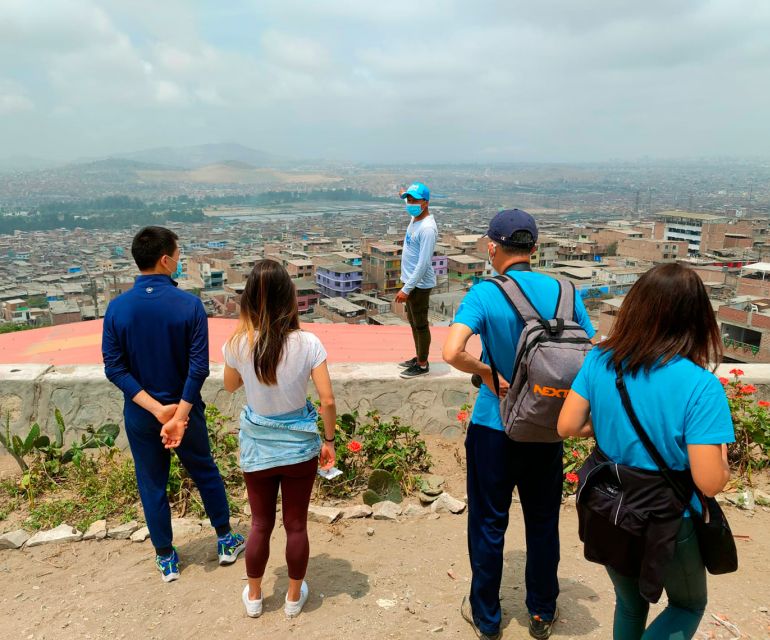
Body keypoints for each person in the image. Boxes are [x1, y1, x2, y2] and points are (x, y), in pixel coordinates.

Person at [558, 263, 734, 640]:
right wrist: (723, 464)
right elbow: (709, 482)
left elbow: (567, 426)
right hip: (664, 516)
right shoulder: (701, 387)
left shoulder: (601, 359)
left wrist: (605, 425)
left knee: (631, 601)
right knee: (687, 605)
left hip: (608, 506)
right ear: (697, 319)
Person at [443, 209, 596, 640]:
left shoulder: (485, 293)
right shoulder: (566, 291)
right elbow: (592, 355)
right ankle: (542, 611)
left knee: (490, 522)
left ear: (492, 247)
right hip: (547, 425)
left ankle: (488, 618)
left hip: (495, 425)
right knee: (543, 521)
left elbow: (452, 351)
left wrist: (489, 374)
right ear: (534, 248)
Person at [102, 226, 244, 583]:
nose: (179, 262)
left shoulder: (117, 308)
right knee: (204, 471)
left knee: (152, 482)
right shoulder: (189, 305)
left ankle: (166, 558)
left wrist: (155, 410)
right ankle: (226, 540)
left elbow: (114, 367)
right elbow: (198, 367)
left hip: (141, 413)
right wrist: (178, 415)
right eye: (178, 257)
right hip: (185, 410)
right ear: (165, 260)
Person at [222, 259, 336, 620]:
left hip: (258, 446)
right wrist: (329, 441)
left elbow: (229, 385)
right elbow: (328, 400)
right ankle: (291, 597)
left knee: (259, 524)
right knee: (297, 524)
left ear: (248, 302)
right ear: (290, 298)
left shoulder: (239, 343)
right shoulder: (308, 343)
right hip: (299, 447)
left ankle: (254, 597)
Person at [396, 181, 438, 379]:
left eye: (415, 200)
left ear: (426, 203)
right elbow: (408, 198)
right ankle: (419, 356)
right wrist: (404, 193)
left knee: (420, 324)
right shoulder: (416, 217)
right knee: (413, 323)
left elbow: (423, 264)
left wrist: (407, 289)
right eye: (408, 200)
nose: (410, 203)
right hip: (411, 282)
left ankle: (422, 364)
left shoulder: (427, 228)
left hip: (419, 285)